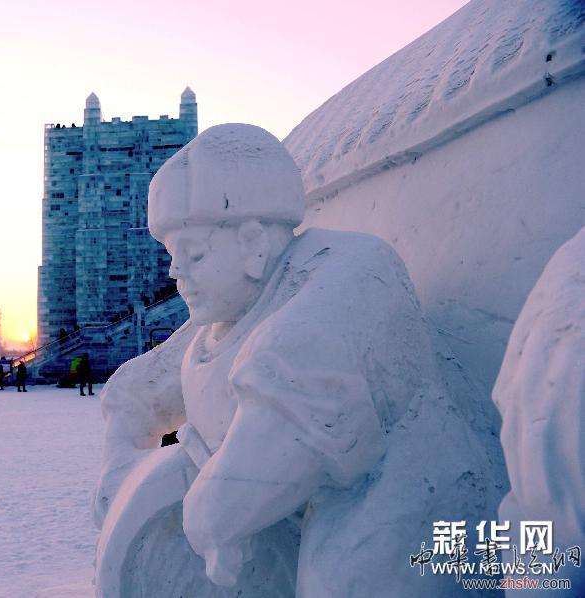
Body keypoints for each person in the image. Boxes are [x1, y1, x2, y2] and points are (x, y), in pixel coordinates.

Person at [93, 124, 498, 596]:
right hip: (300, 518)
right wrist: (119, 465)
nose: (175, 271)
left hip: (411, 512)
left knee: (341, 581)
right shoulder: (232, 310)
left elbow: (279, 427)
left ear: (252, 243)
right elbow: (138, 392)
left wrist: (210, 516)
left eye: (194, 253)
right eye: (171, 254)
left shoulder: (348, 275)